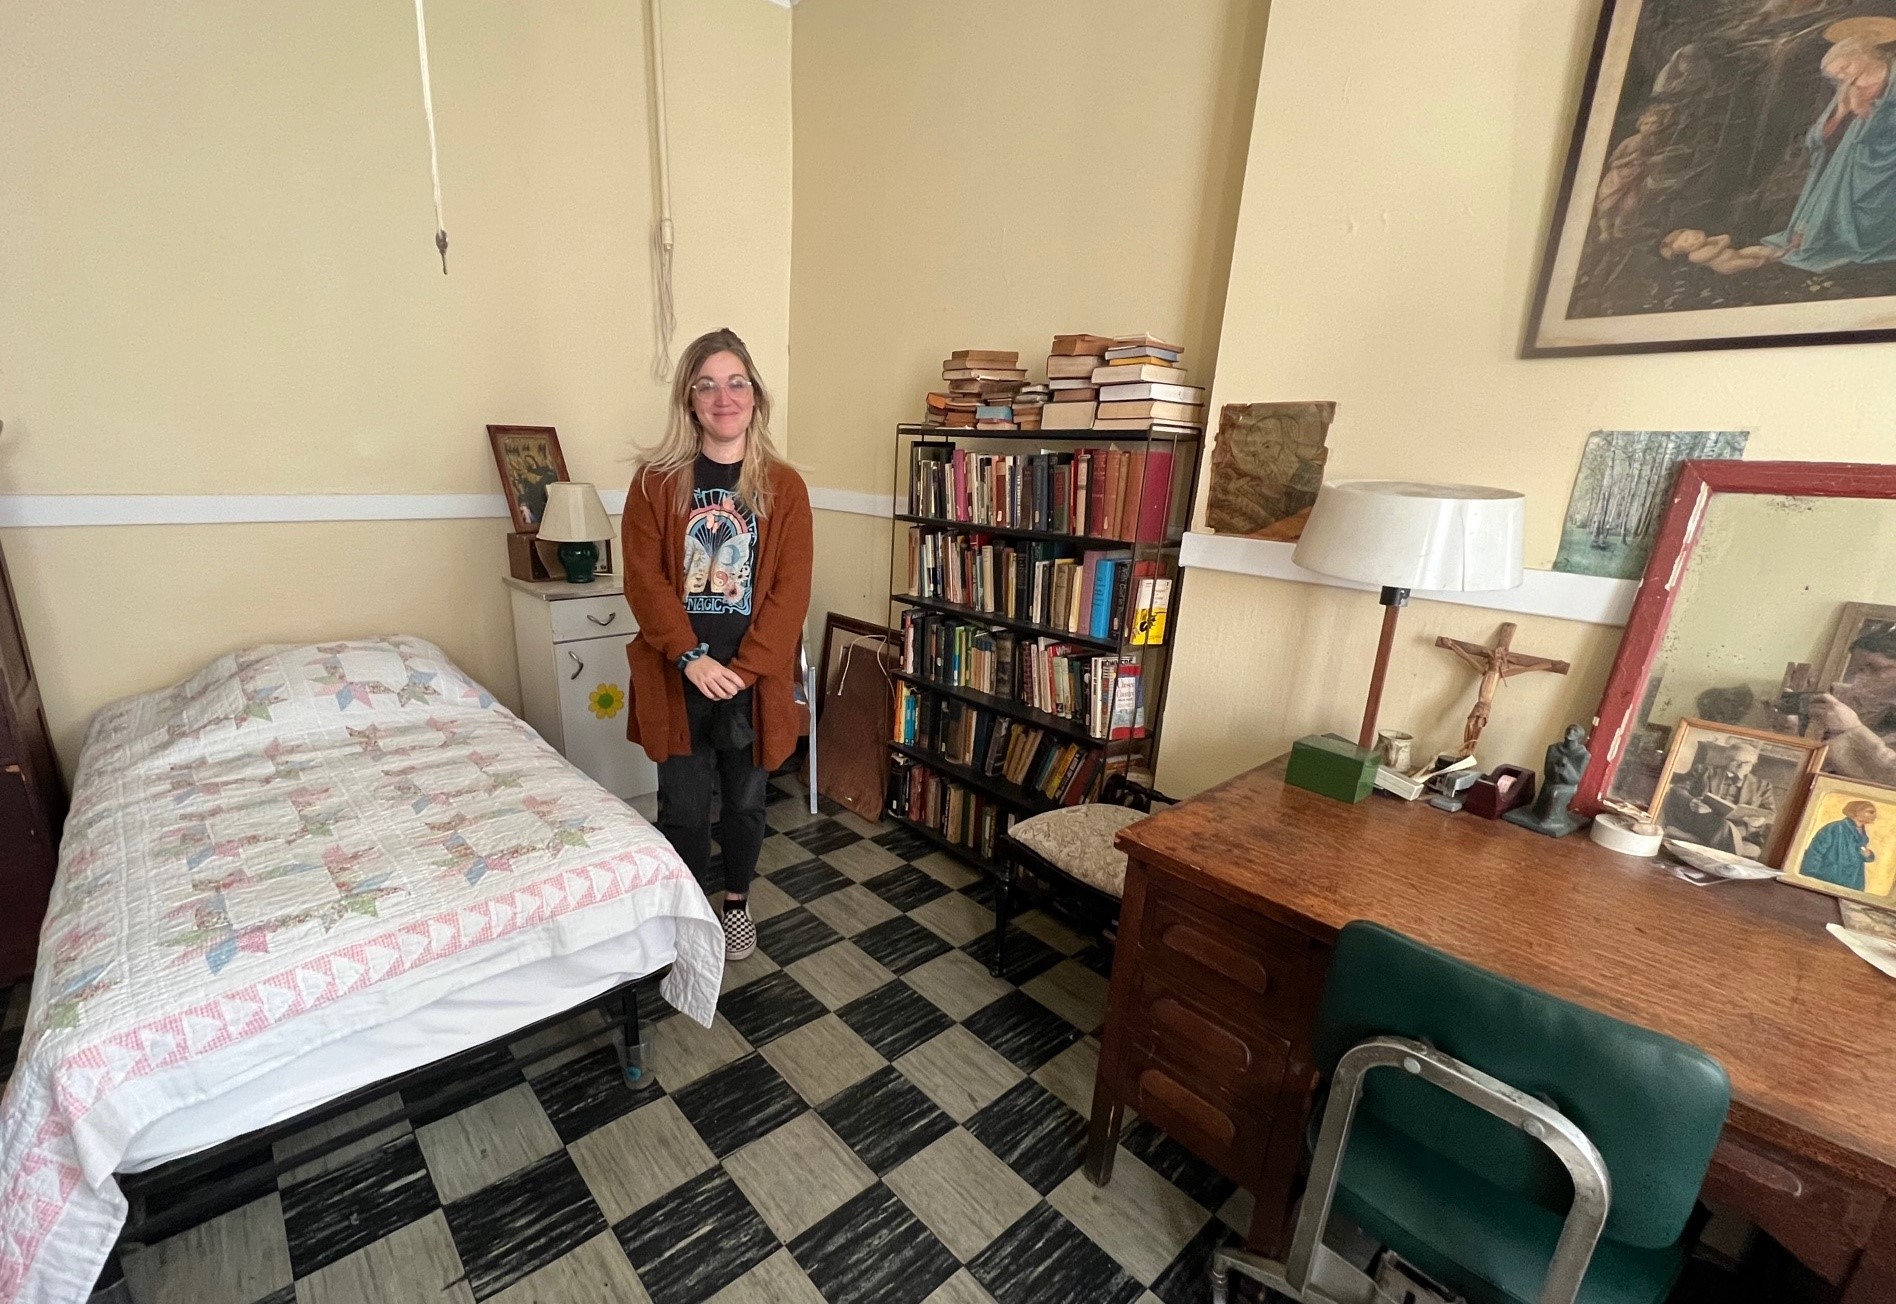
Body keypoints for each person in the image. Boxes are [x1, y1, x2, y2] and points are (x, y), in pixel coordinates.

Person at [620, 328, 812, 960]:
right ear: (689, 401)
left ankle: (734, 903)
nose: (723, 397)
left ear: (755, 396)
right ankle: (689, 904)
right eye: (707, 385)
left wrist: (748, 668)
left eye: (736, 383)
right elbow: (643, 581)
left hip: (751, 686)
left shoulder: (785, 488)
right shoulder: (654, 483)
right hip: (679, 679)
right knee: (681, 807)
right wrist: (691, 657)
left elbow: (791, 591)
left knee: (746, 805)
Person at [1810, 624, 1896, 785]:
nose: (1860, 678)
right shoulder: (1849, 699)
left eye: (1874, 668)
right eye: (1857, 669)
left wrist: (1852, 731)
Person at [1661, 741, 1779, 858]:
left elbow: (1771, 814)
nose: (1741, 766)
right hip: (1701, 821)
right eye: (1737, 761)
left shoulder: (1762, 785)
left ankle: (1713, 859)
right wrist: (1692, 801)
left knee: (1729, 829)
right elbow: (1678, 790)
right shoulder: (1704, 771)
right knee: (1724, 825)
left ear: (1754, 763)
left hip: (1740, 829)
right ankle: (1727, 863)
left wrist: (1760, 820)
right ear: (1727, 759)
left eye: (1747, 763)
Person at [1800, 800, 1880, 892]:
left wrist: (1868, 855)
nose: (1874, 816)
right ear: (1857, 812)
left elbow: (1859, 855)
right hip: (1830, 879)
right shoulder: (1834, 828)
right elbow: (1815, 852)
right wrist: (1808, 880)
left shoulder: (1862, 832)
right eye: (1870, 812)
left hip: (1852, 883)